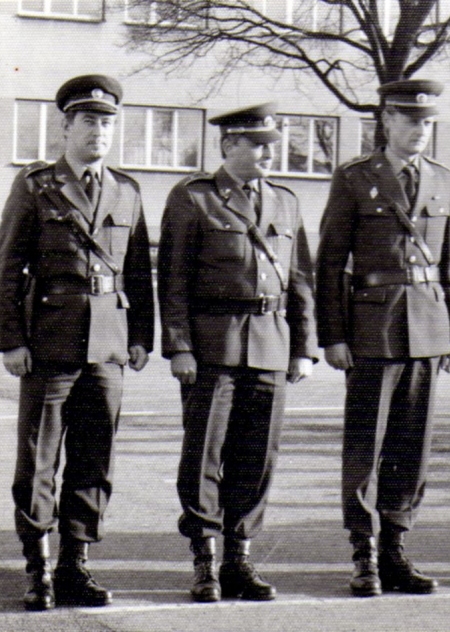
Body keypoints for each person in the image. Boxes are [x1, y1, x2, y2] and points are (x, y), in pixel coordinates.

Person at [0, 74, 154, 610]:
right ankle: (37, 565)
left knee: (95, 457)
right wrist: (11, 341)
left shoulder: (126, 190)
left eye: (107, 123)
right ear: (66, 127)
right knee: (39, 457)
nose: (99, 132)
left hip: (108, 344)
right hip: (50, 341)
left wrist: (141, 337)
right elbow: (7, 268)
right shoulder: (36, 186)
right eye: (88, 121)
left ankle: (74, 564)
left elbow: (137, 270)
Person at [157, 103, 318, 603]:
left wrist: (303, 347)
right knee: (204, 454)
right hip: (214, 345)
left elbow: (300, 280)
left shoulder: (285, 201)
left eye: (272, 145)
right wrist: (180, 347)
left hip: (270, 343)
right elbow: (173, 279)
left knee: (258, 456)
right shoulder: (194, 197)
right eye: (258, 144)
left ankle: (238, 558)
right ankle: (204, 558)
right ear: (229, 145)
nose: (269, 153)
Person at [316, 79, 450, 597]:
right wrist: (333, 334)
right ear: (387, 121)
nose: (420, 129)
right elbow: (330, 261)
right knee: (366, 444)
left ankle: (396, 547)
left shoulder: (442, 179)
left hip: (428, 326)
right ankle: (364, 552)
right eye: (410, 119)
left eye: (427, 121)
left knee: (412, 445)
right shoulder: (356, 177)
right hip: (373, 327)